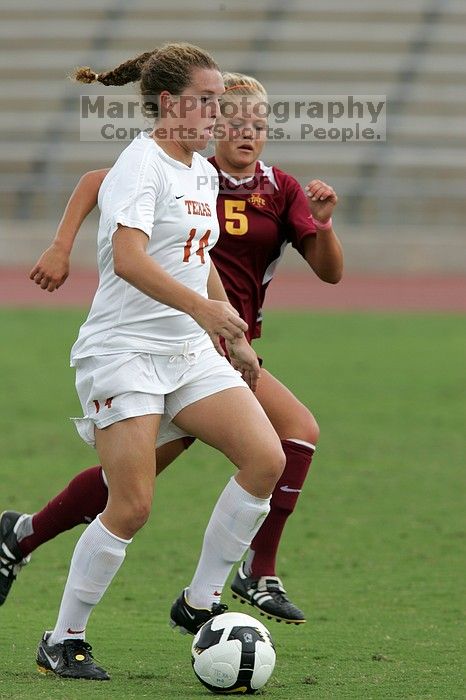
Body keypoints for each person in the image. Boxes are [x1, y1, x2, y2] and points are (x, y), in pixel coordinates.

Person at [1, 71, 342, 631]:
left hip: (206, 346)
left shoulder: (269, 185)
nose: (237, 128)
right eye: (224, 115)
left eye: (254, 122)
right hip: (146, 344)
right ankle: (46, 586)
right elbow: (101, 193)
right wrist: (61, 246)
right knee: (131, 495)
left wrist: (232, 328)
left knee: (278, 445)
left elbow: (318, 271)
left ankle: (227, 584)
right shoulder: (161, 165)